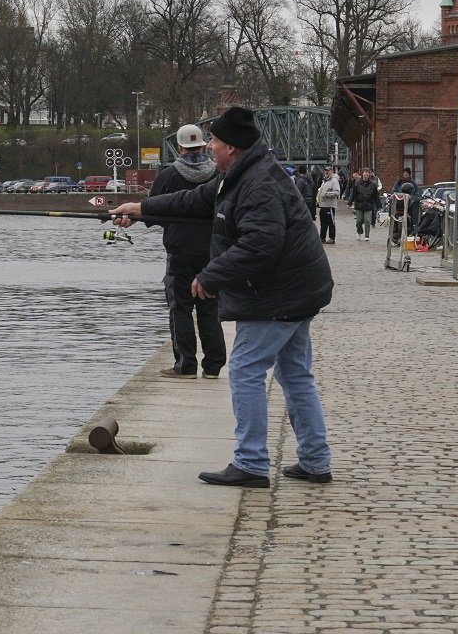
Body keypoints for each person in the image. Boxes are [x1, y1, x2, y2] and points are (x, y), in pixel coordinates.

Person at [110, 106, 333, 488]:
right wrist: (142, 208)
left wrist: (211, 276)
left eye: (213, 140)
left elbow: (261, 243)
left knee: (246, 370)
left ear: (230, 146)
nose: (208, 146)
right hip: (298, 288)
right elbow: (193, 201)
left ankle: (250, 463)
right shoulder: (243, 174)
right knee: (294, 374)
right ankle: (315, 460)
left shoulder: (257, 183)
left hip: (278, 294)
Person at [148, 123, 226, 380]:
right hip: (211, 251)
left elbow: (152, 213)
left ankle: (185, 365)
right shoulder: (218, 176)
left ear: (179, 148)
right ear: (204, 146)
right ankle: (213, 366)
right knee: (209, 307)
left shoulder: (168, 176)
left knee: (180, 308)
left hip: (179, 251)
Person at [351, 168, 381, 241]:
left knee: (367, 220)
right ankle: (359, 231)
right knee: (359, 221)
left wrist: (379, 205)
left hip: (368, 204)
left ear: (369, 175)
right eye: (365, 173)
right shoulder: (357, 183)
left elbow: (376, 196)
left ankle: (367, 235)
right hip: (359, 204)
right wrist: (350, 202)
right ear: (362, 174)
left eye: (368, 173)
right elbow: (353, 194)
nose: (366, 174)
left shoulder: (373, 184)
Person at [316, 166, 341, 244]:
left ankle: (332, 238)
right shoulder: (325, 180)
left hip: (329, 205)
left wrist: (327, 194)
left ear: (332, 171)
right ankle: (322, 238)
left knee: (331, 222)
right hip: (322, 205)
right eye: (326, 171)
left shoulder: (334, 181)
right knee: (323, 223)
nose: (326, 172)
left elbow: (337, 192)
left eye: (328, 170)